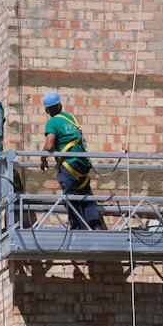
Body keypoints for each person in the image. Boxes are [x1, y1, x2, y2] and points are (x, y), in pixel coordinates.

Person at [40, 92, 105, 230]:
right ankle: (96, 227)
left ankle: (76, 228)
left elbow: (50, 145)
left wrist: (43, 158)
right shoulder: (70, 118)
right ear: (60, 105)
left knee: (71, 197)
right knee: (86, 197)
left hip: (68, 165)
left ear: (46, 110)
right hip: (82, 165)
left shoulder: (52, 122)